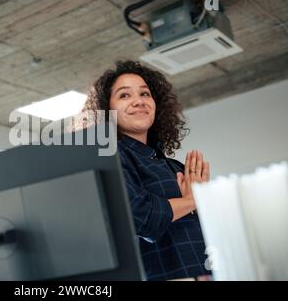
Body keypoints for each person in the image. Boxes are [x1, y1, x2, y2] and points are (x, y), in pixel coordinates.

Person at [81, 60, 212, 281]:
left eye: (145, 94)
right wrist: (191, 200)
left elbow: (210, 221)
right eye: (124, 95)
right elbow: (141, 216)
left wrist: (205, 204)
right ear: (107, 110)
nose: (138, 101)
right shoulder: (110, 156)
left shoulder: (176, 167)